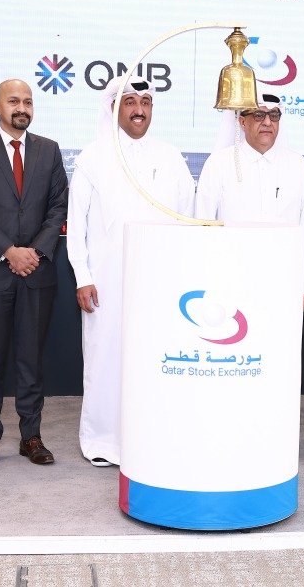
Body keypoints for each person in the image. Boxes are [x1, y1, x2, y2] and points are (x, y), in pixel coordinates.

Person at [67, 75, 195, 467]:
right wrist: (82, 276)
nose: (139, 110)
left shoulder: (171, 156)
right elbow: (77, 224)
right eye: (130, 102)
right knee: (106, 358)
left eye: (146, 102)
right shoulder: (92, 157)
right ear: (113, 108)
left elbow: (188, 217)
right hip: (106, 279)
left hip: (161, 280)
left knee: (156, 357)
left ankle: (152, 438)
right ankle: (104, 441)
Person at [0, 79, 68, 470]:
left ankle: (31, 436)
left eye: (27, 101)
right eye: (13, 101)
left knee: (30, 360)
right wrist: (9, 252)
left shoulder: (49, 150)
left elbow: (58, 207)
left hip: (37, 272)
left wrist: (34, 253)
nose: (21, 107)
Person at [194, 91, 304, 310]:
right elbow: (203, 226)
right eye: (259, 116)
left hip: (284, 281)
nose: (267, 123)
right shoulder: (218, 164)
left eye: (274, 115)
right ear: (242, 121)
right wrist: (204, 280)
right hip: (229, 282)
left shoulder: (297, 166)